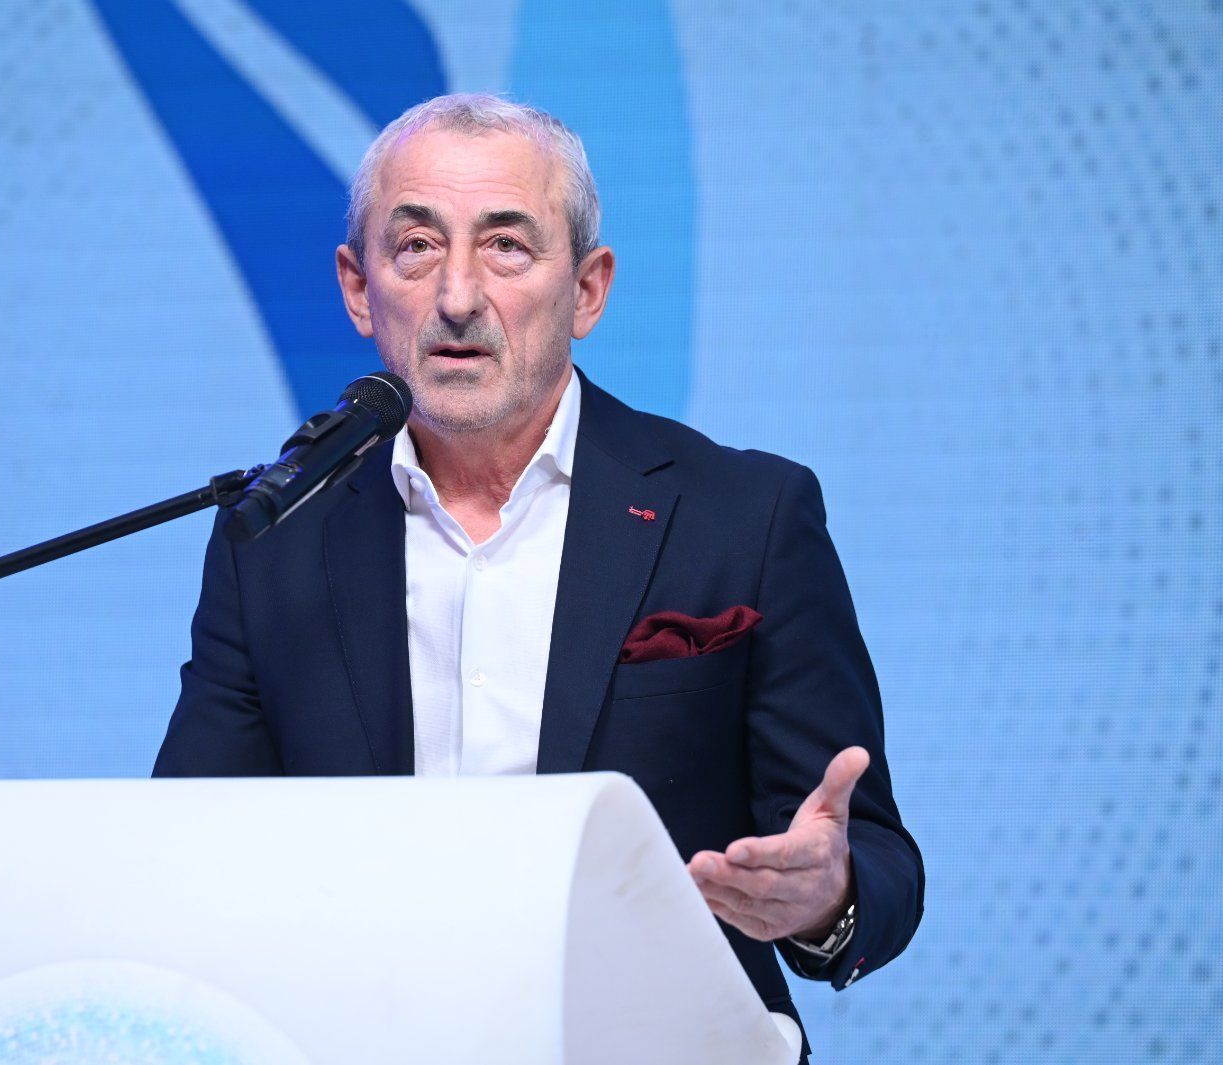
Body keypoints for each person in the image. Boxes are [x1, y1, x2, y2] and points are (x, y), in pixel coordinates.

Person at [154, 93, 924, 1057]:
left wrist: (824, 896)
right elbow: (186, 853)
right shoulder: (277, 536)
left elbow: (877, 864)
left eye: (507, 247)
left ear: (588, 290)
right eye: (416, 247)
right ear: (358, 287)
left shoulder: (744, 517)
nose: (458, 296)